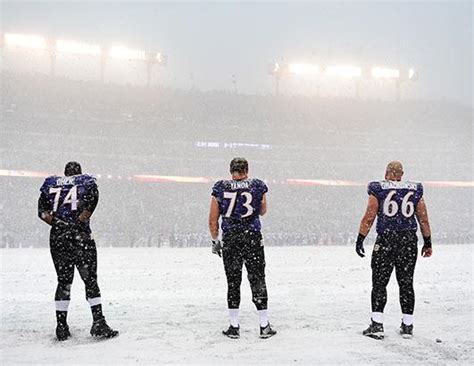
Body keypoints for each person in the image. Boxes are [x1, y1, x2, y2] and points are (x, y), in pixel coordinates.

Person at [38, 161, 118, 341]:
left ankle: (61, 326)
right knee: (90, 280)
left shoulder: (51, 185)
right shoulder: (86, 183)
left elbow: (43, 213)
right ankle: (98, 322)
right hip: (80, 237)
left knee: (64, 282)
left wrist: (60, 225)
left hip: (58, 238)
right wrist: (78, 224)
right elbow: (90, 206)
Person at [355, 161, 432, 340]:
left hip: (387, 240)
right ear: (402, 174)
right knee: (406, 283)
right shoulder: (415, 189)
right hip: (408, 241)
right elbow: (423, 218)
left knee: (379, 282)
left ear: (387, 172)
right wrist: (427, 242)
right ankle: (407, 325)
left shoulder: (378, 188)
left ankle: (377, 324)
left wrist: (360, 238)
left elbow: (370, 215)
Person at [208, 157, 276, 339]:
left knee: (233, 281)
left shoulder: (220, 187)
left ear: (231, 170)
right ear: (246, 169)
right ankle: (263, 325)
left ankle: (234, 325)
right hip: (252, 237)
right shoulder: (257, 185)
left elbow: (213, 220)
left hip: (231, 239)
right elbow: (263, 210)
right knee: (258, 279)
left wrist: (215, 240)